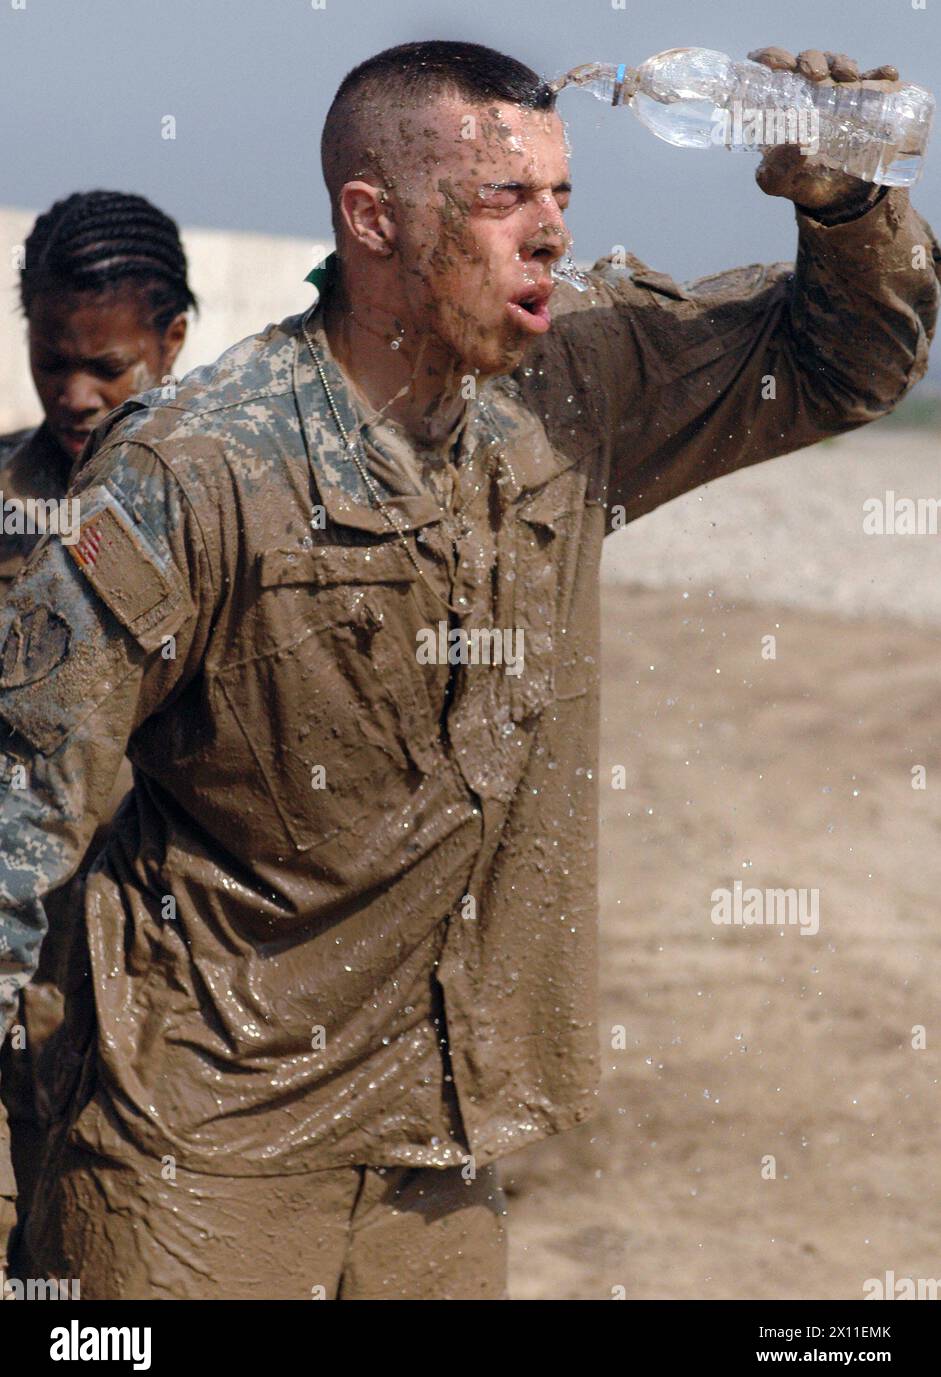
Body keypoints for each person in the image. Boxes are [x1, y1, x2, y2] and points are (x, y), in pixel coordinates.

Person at [0, 39, 937, 1300]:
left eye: (560, 197)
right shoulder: (198, 473)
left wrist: (844, 200)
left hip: (433, 1158)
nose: (548, 233)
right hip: (194, 1162)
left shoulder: (576, 388)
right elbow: (26, 804)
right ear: (372, 218)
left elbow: (842, 361)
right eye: (503, 200)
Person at [0, 190, 194, 1280]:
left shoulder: (225, 510)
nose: (74, 395)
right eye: (50, 361)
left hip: (156, 1014)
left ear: (170, 343)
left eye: (108, 367)